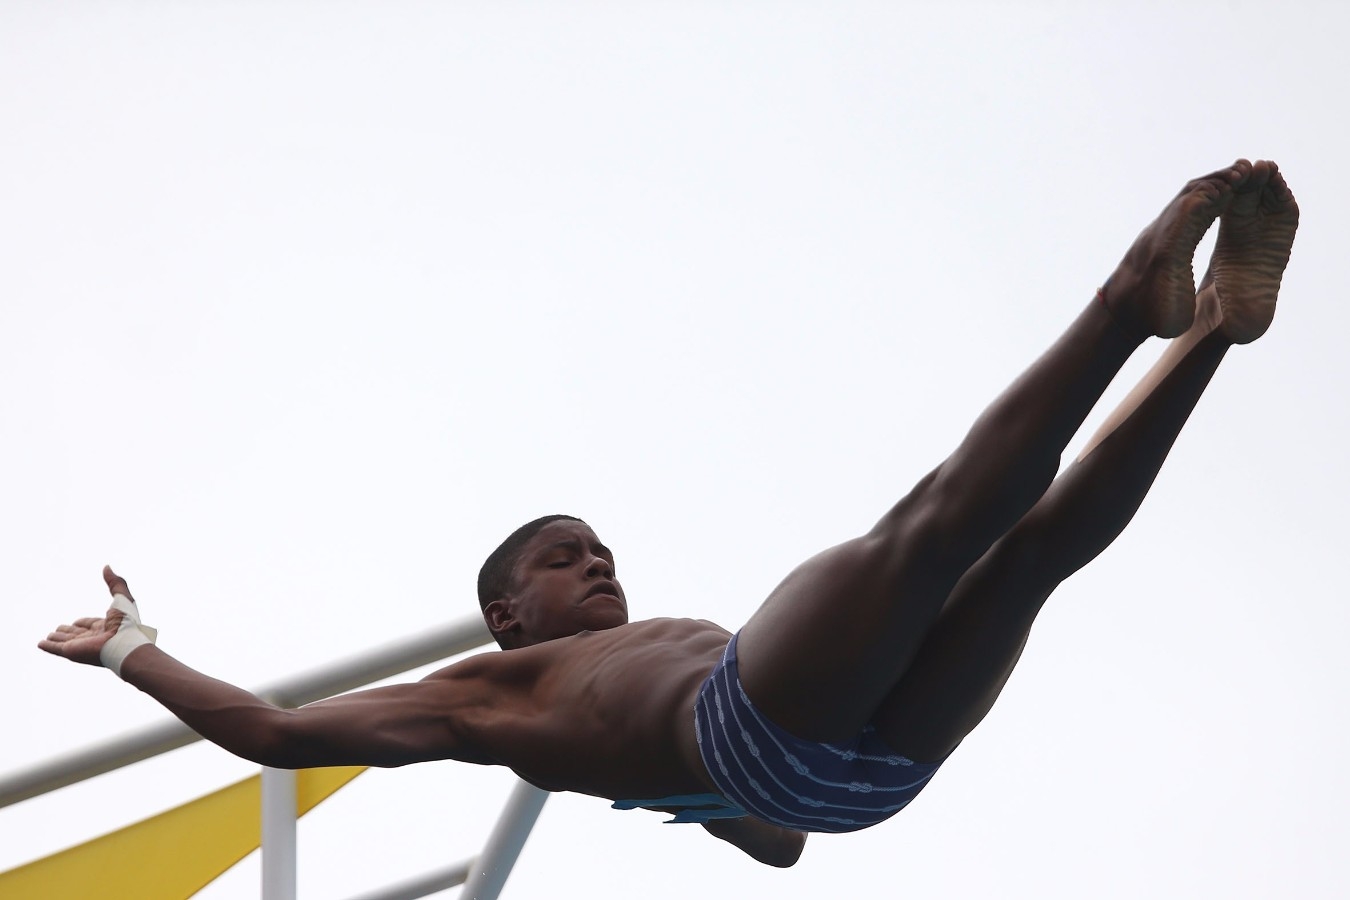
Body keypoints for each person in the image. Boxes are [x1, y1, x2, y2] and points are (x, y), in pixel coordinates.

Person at [40, 159, 1298, 867]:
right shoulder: (482, 695)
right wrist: (136, 651)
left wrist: (668, 796)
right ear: (504, 607)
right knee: (929, 530)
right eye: (560, 558)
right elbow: (269, 733)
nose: (595, 566)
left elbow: (780, 850)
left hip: (852, 777)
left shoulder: (638, 676)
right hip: (766, 736)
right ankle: (1126, 299)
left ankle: (1211, 337)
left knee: (1025, 562)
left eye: (600, 551)